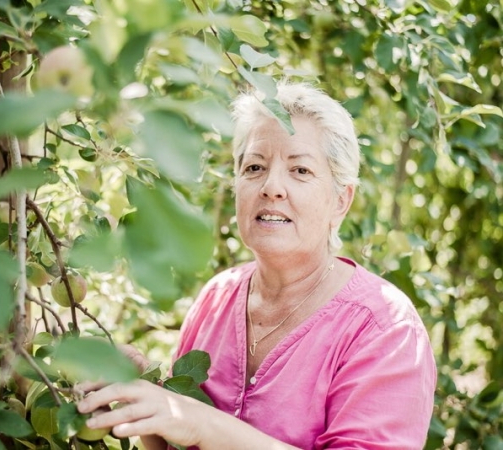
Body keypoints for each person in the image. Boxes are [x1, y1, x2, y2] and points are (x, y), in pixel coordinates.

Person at [78, 81, 437, 449]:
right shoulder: (217, 298)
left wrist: (201, 423)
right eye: (254, 167)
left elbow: (197, 428)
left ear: (341, 201)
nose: (272, 187)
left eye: (300, 170)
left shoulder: (385, 328)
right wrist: (142, 401)